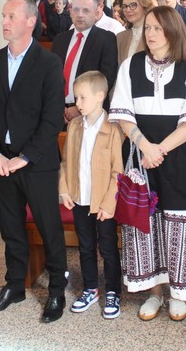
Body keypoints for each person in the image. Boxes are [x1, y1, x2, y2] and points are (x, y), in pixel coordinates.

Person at [110, 6, 186, 322]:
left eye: (158, 28)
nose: (151, 34)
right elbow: (123, 114)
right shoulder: (131, 65)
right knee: (145, 222)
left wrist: (160, 150)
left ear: (173, 31)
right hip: (140, 155)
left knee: (178, 224)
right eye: (148, 28)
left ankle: (178, 293)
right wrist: (145, 147)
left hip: (176, 155)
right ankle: (153, 292)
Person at [0, 0, 68, 323]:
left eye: (11, 16)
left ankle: (57, 289)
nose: (4, 22)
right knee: (10, 225)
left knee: (48, 226)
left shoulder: (48, 63)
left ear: (30, 21)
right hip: (2, 161)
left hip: (37, 161)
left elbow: (52, 118)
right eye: (3, 16)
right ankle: (14, 285)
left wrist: (25, 156)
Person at [59, 71, 124, 319]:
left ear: (100, 96)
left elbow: (118, 172)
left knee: (108, 248)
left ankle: (113, 292)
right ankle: (90, 288)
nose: (77, 103)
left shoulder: (113, 129)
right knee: (85, 246)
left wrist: (109, 204)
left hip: (103, 203)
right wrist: (64, 189)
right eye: (76, 97)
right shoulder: (75, 126)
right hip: (80, 199)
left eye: (82, 97)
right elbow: (66, 162)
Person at [51, 0, 118, 123]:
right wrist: (57, 107)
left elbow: (106, 79)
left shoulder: (106, 39)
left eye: (86, 10)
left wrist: (79, 107)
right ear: (70, 12)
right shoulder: (60, 40)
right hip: (59, 112)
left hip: (91, 115)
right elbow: (52, 76)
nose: (80, 15)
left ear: (95, 13)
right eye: (76, 10)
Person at [116, 0, 154, 64]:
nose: (128, 10)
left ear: (144, 5)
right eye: (124, 6)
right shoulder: (120, 37)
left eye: (133, 5)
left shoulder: (155, 34)